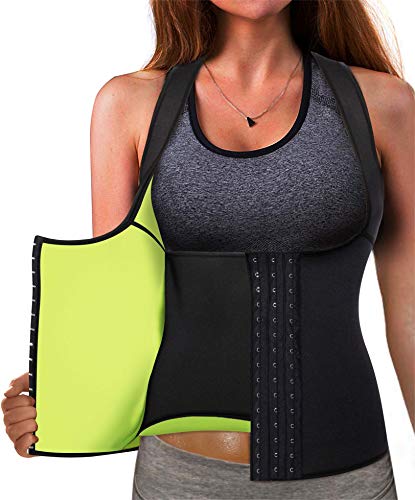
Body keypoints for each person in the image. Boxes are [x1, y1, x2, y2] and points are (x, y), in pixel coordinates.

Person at [2, 1, 414, 499]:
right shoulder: (131, 104)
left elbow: (410, 316)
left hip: (348, 478)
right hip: (181, 480)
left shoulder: (385, 104)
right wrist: (56, 411)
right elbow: (121, 312)